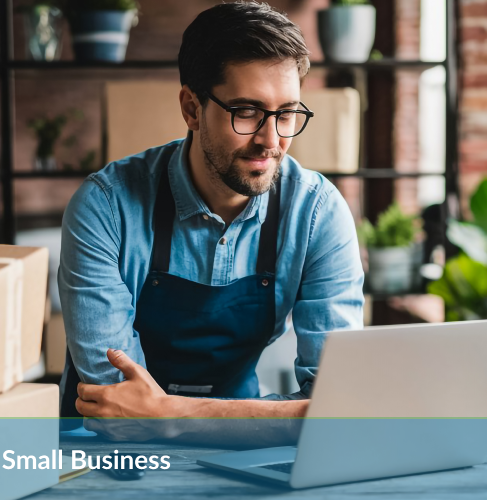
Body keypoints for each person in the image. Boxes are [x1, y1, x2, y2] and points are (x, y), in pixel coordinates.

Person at [58, 2, 364, 429]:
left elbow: (338, 406)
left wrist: (169, 414)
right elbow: (121, 407)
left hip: (240, 449)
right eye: (247, 112)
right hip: (106, 452)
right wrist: (279, 417)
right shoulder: (105, 206)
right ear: (191, 108)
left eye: (287, 113)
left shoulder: (317, 213)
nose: (271, 140)